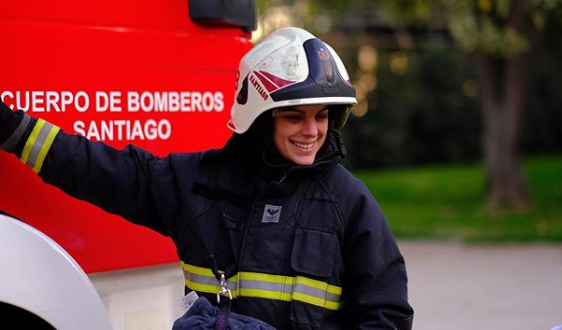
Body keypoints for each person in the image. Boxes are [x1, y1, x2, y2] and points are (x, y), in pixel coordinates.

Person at [0, 27, 414, 329]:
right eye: (294, 116)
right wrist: (11, 129)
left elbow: (387, 315)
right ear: (258, 119)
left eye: (322, 116)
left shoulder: (349, 202)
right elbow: (97, 169)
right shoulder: (197, 183)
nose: (312, 132)